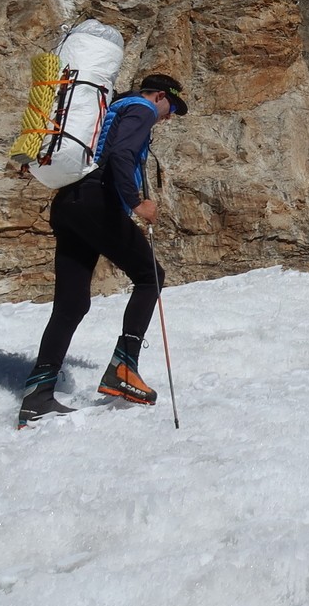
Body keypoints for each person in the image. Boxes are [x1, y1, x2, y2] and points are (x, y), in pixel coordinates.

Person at [18, 73, 189, 424]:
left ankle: (38, 396)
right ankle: (124, 371)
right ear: (158, 96)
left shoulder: (111, 110)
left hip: (68, 204)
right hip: (97, 201)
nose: (170, 115)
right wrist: (136, 202)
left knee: (72, 303)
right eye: (172, 106)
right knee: (150, 276)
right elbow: (123, 154)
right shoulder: (141, 109)